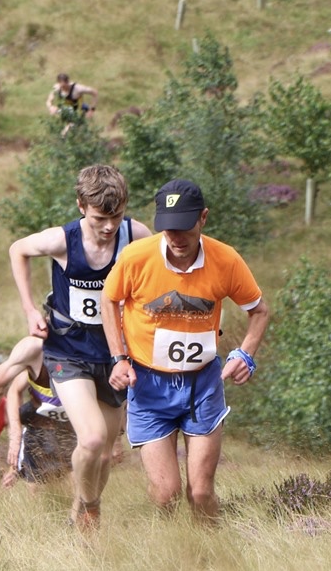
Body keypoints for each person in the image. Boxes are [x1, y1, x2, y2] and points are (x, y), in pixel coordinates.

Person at [102, 179, 269, 521]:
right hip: (148, 385)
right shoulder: (136, 257)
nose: (176, 237)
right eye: (168, 229)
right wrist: (119, 358)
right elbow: (109, 299)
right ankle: (174, 549)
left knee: (200, 491)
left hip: (202, 383)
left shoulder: (226, 260)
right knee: (166, 494)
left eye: (184, 227)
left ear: (203, 218)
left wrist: (245, 354)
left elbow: (259, 311)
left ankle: (211, 551)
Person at [9, 164, 152, 530]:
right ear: (81, 206)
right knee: (90, 439)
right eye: (99, 218)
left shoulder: (136, 235)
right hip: (68, 350)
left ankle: (81, 510)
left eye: (116, 216)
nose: (108, 227)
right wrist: (28, 309)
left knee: (104, 453)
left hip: (116, 353)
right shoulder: (61, 240)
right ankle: (91, 509)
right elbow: (17, 250)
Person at [0, 336, 77, 487]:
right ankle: (16, 471)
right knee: (34, 487)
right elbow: (13, 391)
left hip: (72, 426)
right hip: (38, 423)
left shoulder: (84, 351)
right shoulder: (35, 355)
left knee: (76, 482)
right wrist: (15, 437)